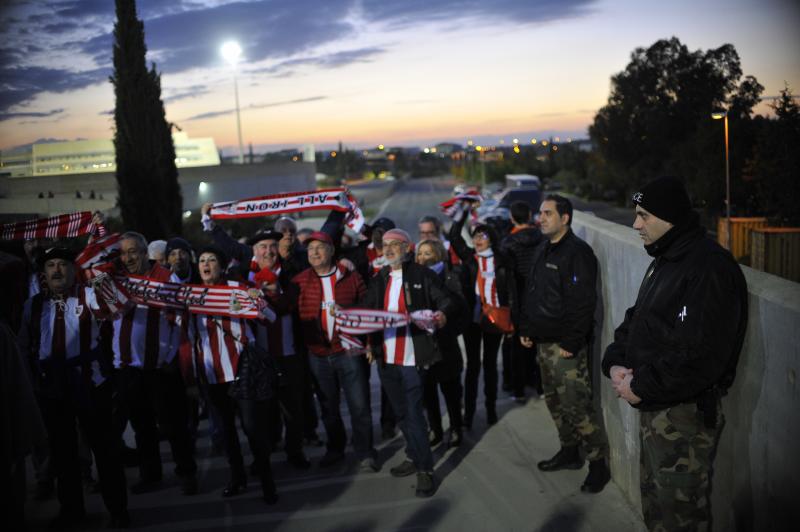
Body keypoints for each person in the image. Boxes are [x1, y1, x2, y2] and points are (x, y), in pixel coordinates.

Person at [601, 176, 748, 531]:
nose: (636, 224)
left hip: (682, 415)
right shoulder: (666, 258)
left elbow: (700, 354)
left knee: (680, 514)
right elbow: (638, 320)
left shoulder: (708, 267)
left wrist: (641, 385)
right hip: (656, 404)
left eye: (644, 215)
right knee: (656, 504)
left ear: (670, 218)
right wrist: (617, 362)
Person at [18, 247, 129, 528]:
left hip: (91, 386)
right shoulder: (32, 305)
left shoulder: (89, 294)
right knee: (63, 455)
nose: (57, 270)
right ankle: (72, 512)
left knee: (105, 451)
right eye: (50, 265)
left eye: (63, 265)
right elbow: (24, 346)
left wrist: (98, 271)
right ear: (43, 274)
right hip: (52, 390)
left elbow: (121, 307)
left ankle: (118, 510)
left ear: (73, 269)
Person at [88, 232, 198, 496]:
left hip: (160, 368)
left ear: (145, 252)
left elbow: (180, 320)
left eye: (133, 251)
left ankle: (187, 473)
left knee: (174, 425)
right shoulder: (116, 279)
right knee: (141, 426)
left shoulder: (164, 277)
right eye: (124, 253)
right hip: (127, 368)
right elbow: (100, 311)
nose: (128, 258)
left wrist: (172, 358)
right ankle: (151, 474)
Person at [519, 194, 611, 493]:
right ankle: (570, 452)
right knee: (555, 403)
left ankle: (598, 465)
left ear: (565, 218)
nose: (540, 218)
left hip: (565, 346)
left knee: (578, 405)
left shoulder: (577, 253)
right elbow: (534, 292)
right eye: (540, 213)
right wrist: (527, 327)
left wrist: (572, 341)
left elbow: (583, 302)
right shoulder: (544, 248)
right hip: (544, 343)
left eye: (547, 213)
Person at [181, 246, 278, 503]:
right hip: (211, 374)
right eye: (201, 259)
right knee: (226, 431)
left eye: (212, 259)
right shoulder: (190, 295)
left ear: (221, 266)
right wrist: (191, 379)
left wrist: (256, 299)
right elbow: (188, 338)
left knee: (251, 427)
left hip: (242, 369)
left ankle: (267, 480)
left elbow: (270, 317)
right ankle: (238, 478)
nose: (206, 263)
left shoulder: (237, 286)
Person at [362, 229, 455, 498]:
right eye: (385, 245)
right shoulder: (379, 278)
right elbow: (368, 311)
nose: (388, 249)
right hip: (387, 358)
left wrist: (441, 315)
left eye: (395, 245)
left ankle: (425, 470)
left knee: (414, 414)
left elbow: (447, 300)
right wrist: (366, 340)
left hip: (414, 357)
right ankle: (414, 455)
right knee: (402, 413)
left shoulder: (421, 274)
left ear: (407, 248)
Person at [290, 231, 378, 469]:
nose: (314, 253)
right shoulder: (299, 281)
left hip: (348, 350)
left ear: (331, 251)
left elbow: (367, 307)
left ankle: (365, 451)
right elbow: (286, 310)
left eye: (320, 248)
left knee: (359, 405)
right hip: (317, 353)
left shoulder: (350, 276)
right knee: (328, 407)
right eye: (310, 250)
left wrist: (368, 340)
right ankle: (335, 448)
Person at [448, 209, 512, 428]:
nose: (477, 240)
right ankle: (470, 413)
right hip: (472, 320)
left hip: (495, 319)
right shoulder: (470, 259)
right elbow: (454, 235)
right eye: (475, 236)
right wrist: (463, 209)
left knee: (490, 365)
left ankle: (491, 409)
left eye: (482, 237)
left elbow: (512, 291)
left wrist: (516, 321)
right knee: (473, 366)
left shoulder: (502, 260)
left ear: (491, 239)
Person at [415, 239, 467, 448]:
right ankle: (434, 429)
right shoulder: (414, 277)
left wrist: (448, 329)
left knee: (451, 390)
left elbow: (461, 309)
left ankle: (456, 427)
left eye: (428, 253)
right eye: (420, 253)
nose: (423, 257)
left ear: (438, 255)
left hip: (445, 344)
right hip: (424, 346)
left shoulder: (451, 276)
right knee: (428, 392)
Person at [500, 201, 544, 401]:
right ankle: (541, 385)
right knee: (540, 344)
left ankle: (518, 390)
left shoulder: (508, 242)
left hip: (517, 299)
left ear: (512, 218)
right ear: (530, 215)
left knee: (517, 346)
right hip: (541, 297)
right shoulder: (543, 238)